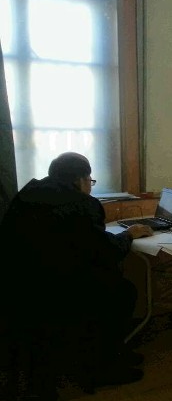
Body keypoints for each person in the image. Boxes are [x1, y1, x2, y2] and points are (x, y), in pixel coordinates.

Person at [0, 152, 152, 385]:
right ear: (80, 179)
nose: (90, 186)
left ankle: (103, 353)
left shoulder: (27, 193)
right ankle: (104, 365)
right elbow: (105, 252)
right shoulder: (83, 204)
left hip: (17, 289)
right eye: (90, 181)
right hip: (60, 291)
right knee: (123, 292)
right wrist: (129, 235)